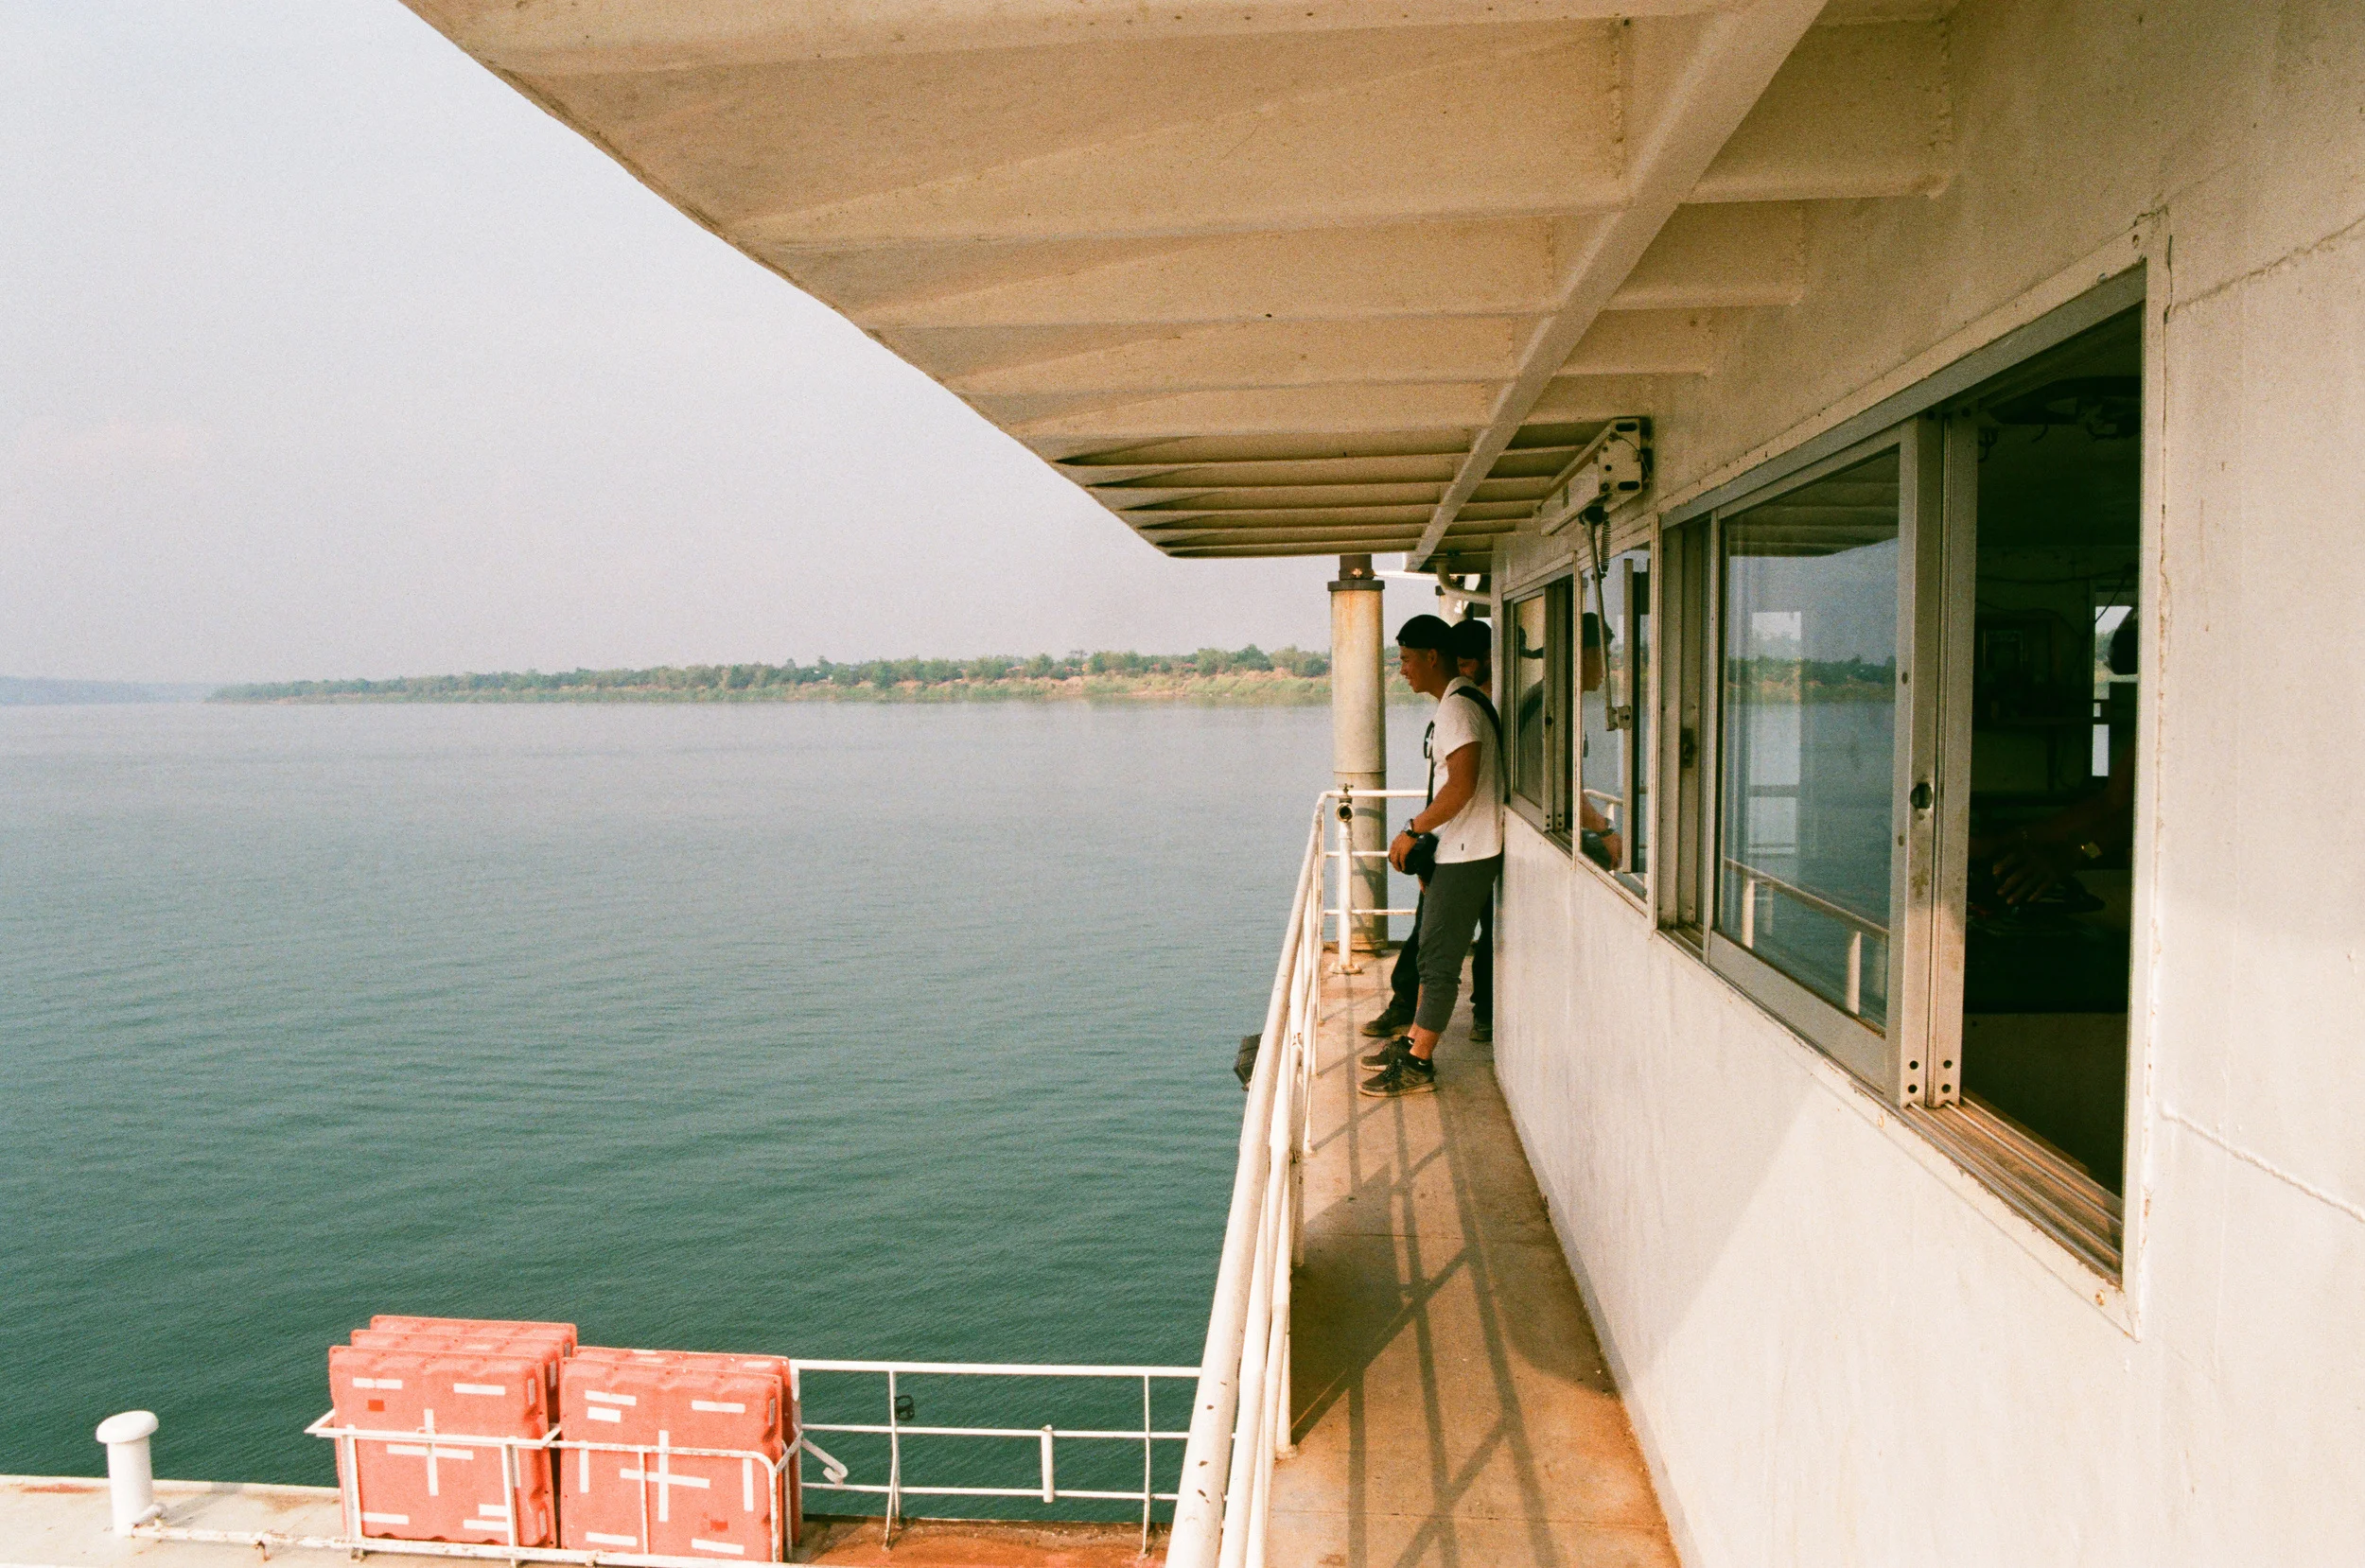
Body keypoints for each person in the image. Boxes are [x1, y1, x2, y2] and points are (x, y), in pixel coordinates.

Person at [1360, 615, 1504, 1098]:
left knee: (1438, 962)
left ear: (1432, 656)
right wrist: (1430, 852)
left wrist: (1412, 831)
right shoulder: (1460, 702)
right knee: (1429, 955)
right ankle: (1413, 1041)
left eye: (1405, 659)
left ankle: (1419, 1064)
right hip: (1457, 849)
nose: (1401, 669)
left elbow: (1462, 785)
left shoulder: (1458, 709)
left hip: (1469, 853)